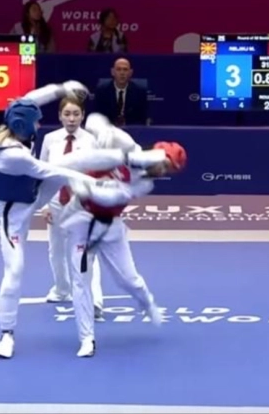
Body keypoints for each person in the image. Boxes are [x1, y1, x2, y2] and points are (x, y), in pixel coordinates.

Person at [0, 82, 165, 359]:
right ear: (23, 126)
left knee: (76, 158)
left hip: (33, 194)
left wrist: (61, 89)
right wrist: (93, 183)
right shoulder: (9, 156)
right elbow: (48, 170)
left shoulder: (13, 122)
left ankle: (133, 157)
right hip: (13, 215)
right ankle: (6, 333)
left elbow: (31, 98)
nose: (39, 124)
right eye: (35, 122)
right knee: (15, 270)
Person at [62, 113, 185, 358]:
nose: (162, 171)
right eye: (164, 163)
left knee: (128, 281)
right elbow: (94, 121)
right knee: (80, 281)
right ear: (156, 153)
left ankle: (147, 302)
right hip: (81, 219)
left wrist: (87, 188)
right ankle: (86, 339)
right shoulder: (128, 146)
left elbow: (111, 198)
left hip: (110, 227)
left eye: (169, 170)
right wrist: (106, 134)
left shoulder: (144, 184)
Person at [39, 97, 104, 318]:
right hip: (56, 201)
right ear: (60, 116)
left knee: (87, 252)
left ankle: (95, 300)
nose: (72, 119)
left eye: (76, 114)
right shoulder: (50, 139)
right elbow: (42, 172)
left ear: (82, 115)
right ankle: (62, 290)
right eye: (67, 114)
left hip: (82, 202)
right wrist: (44, 205)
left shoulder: (92, 141)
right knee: (56, 251)